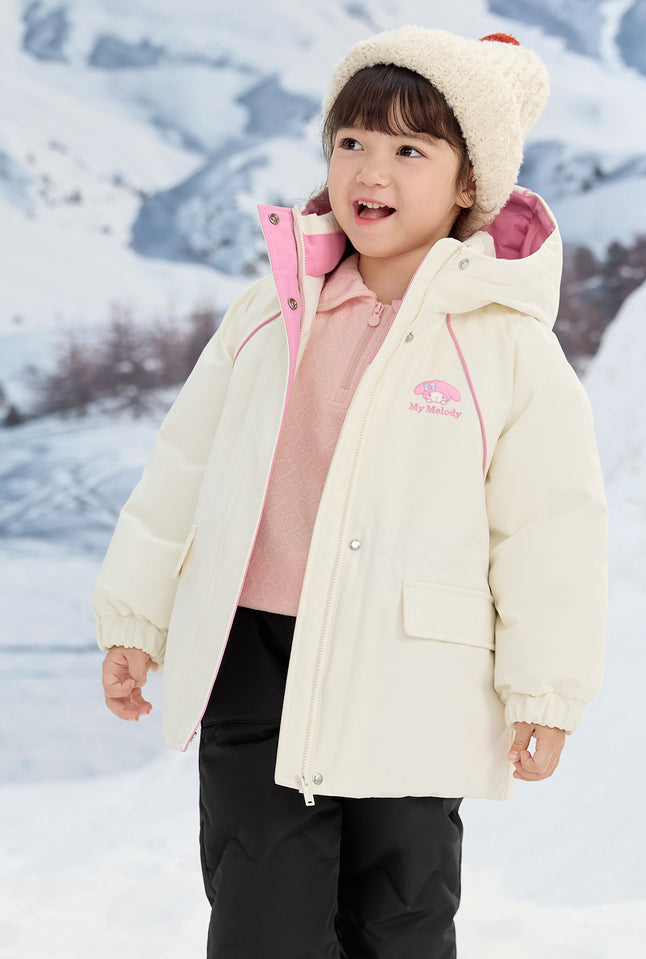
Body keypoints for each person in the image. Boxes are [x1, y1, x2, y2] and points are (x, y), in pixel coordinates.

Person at [94, 25, 607, 959]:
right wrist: (136, 617)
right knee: (262, 918)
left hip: (411, 668)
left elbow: (549, 528)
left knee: (398, 916)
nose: (371, 169)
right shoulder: (270, 314)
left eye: (411, 150)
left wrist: (545, 688)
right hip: (257, 653)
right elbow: (183, 468)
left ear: (469, 184)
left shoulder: (505, 346)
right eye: (352, 141)